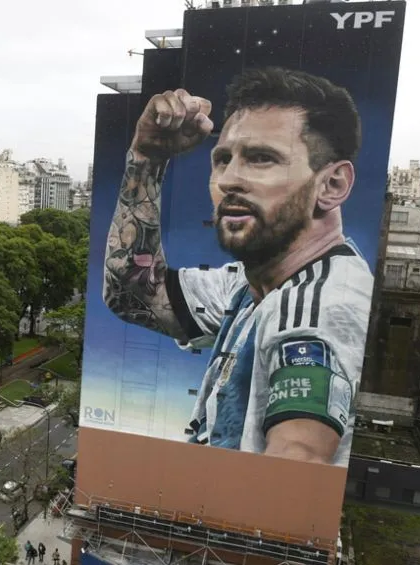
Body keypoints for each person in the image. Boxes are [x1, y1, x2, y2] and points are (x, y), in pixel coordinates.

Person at [103, 66, 369, 467]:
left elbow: (298, 461)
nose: (229, 180)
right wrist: (148, 155)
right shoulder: (253, 286)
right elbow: (132, 291)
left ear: (332, 185)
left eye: (262, 159)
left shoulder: (317, 310)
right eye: (223, 159)